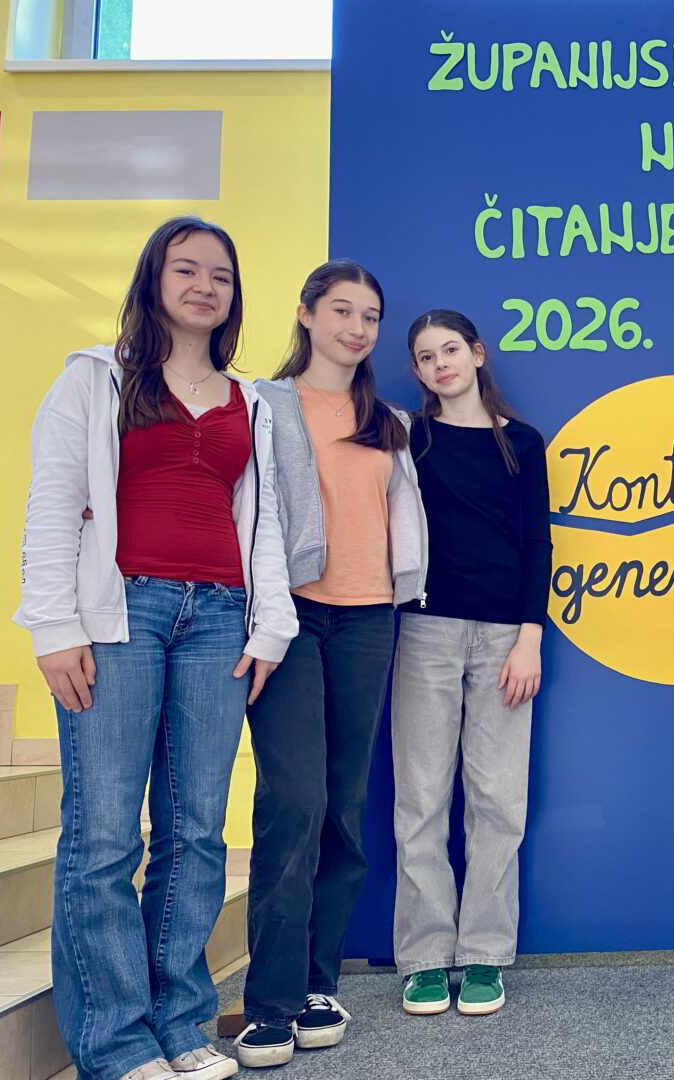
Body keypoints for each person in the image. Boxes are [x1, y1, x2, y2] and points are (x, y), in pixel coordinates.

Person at [15, 216, 295, 1080]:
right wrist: (54, 627)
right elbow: (54, 502)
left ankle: (178, 1023)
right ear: (154, 279)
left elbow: (266, 522)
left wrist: (270, 625)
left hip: (220, 619)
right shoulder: (96, 377)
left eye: (221, 275)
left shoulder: (250, 401)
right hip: (119, 615)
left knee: (197, 831)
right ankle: (115, 1043)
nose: (205, 285)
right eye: (187, 269)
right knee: (104, 836)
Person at [235, 260, 428, 1069]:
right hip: (289, 620)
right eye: (342, 310)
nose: (357, 327)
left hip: (368, 620)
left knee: (345, 807)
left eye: (370, 316)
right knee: (294, 801)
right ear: (307, 314)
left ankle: (318, 984)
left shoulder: (388, 421)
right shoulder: (262, 404)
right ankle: (270, 1001)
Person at [391, 310, 551, 1017]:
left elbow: (539, 541)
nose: (441, 364)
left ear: (478, 353)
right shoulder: (407, 436)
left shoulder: (522, 442)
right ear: (417, 372)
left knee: (498, 799)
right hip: (425, 630)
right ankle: (426, 958)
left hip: (504, 637)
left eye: (450, 349)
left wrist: (530, 638)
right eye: (426, 357)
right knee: (421, 797)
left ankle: (485, 952)